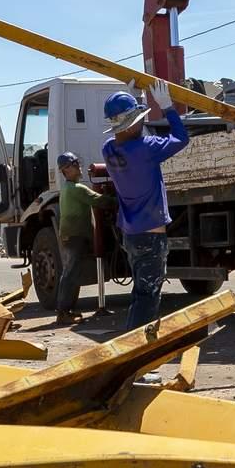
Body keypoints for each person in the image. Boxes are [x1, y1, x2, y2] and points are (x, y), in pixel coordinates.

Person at [102, 78, 188, 329]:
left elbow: (129, 134)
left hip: (132, 236)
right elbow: (181, 138)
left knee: (140, 294)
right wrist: (169, 107)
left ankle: (133, 348)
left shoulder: (108, 149)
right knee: (148, 299)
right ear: (130, 124)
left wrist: (133, 101)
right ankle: (137, 355)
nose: (142, 122)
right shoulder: (147, 148)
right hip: (151, 238)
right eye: (138, 119)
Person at [53, 151, 116, 323]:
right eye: (74, 165)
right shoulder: (76, 189)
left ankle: (65, 311)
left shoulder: (66, 188)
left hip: (70, 235)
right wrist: (119, 199)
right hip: (74, 236)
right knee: (70, 274)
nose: (79, 167)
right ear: (66, 170)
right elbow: (99, 201)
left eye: (77, 164)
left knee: (70, 273)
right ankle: (63, 312)